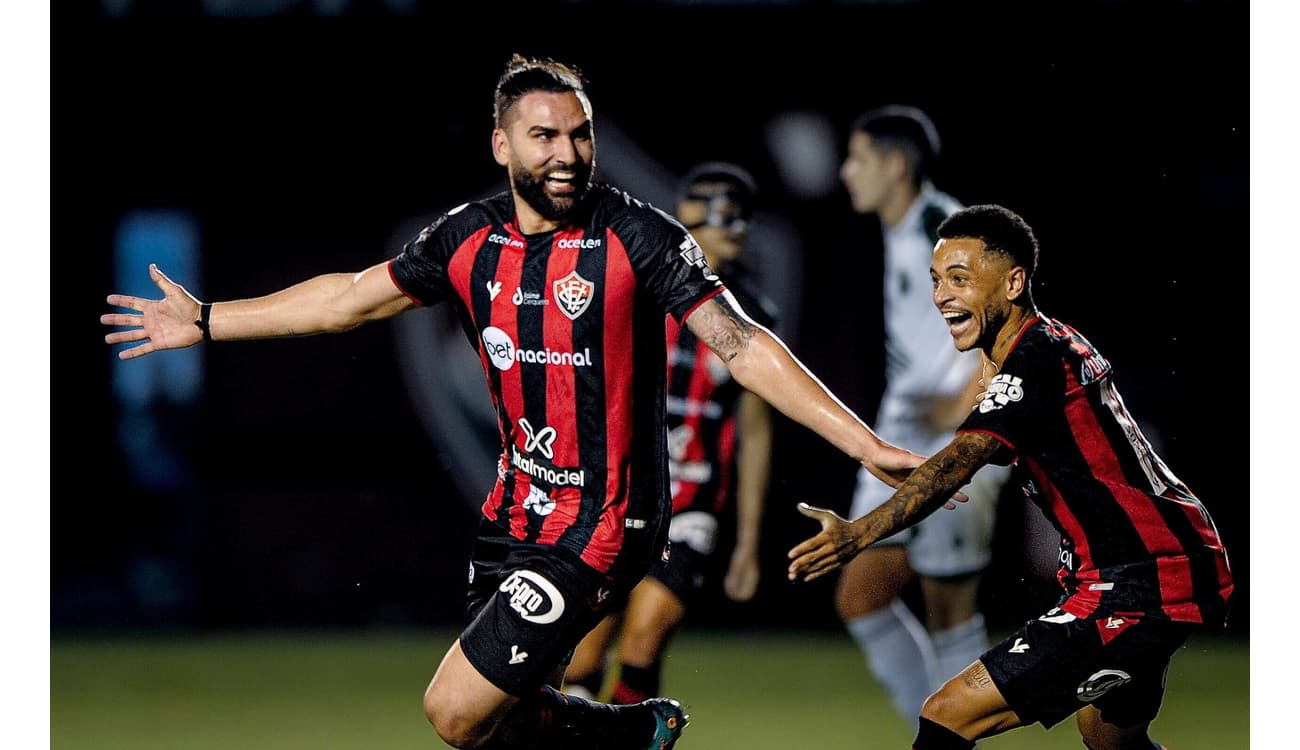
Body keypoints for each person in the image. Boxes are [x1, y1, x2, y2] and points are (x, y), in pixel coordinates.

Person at [102, 54, 929, 750]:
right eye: (545, 136)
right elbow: (347, 299)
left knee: (453, 710)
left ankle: (626, 732)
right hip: (514, 513)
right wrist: (209, 320)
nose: (568, 153)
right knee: (503, 724)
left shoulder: (638, 236)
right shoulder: (468, 238)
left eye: (580, 134)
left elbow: (743, 344)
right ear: (503, 144)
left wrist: (863, 444)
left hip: (604, 521)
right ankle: (629, 733)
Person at [788, 204, 1234, 750]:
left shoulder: (1035, 358)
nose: (942, 295)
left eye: (960, 278)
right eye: (935, 280)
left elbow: (962, 459)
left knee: (949, 713)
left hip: (1141, 580)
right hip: (1160, 567)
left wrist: (860, 533)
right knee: (1108, 739)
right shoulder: (1035, 348)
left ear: (1014, 281)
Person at [563, 162, 779, 705]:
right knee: (583, 657)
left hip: (692, 506)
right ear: (690, 226)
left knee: (643, 641)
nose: (736, 235)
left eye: (742, 223)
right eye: (724, 222)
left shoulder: (753, 317)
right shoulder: (637, 295)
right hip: (619, 499)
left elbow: (754, 435)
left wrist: (748, 543)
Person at [835, 104, 1013, 722]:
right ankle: (932, 729)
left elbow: (1013, 316)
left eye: (857, 158)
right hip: (904, 436)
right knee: (859, 596)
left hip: (961, 437)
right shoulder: (905, 231)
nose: (845, 171)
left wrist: (969, 405)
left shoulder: (945, 229)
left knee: (950, 610)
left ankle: (954, 734)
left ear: (895, 164)